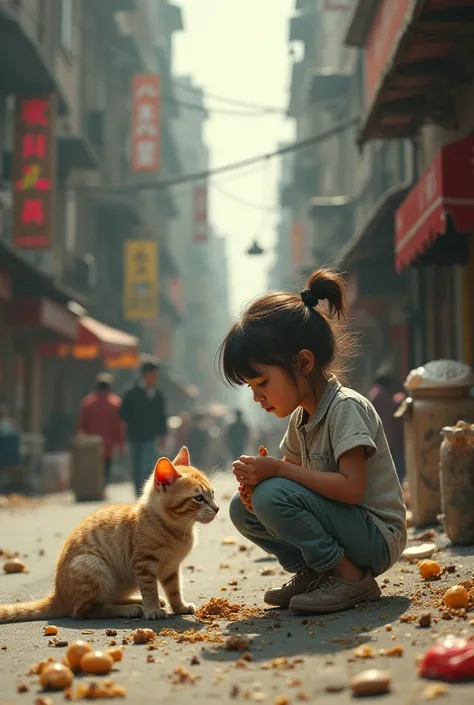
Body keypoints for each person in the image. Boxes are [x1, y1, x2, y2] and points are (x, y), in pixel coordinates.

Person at [219, 268, 407, 615]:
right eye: (251, 389)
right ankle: (316, 572)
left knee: (273, 494)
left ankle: (350, 577)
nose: (258, 397)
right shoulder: (300, 418)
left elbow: (351, 489)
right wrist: (256, 486)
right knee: (242, 509)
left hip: (376, 537)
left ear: (303, 362)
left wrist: (275, 472)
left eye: (262, 382)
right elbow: (294, 485)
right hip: (347, 529)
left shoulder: (345, 407)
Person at [120, 356, 167, 497]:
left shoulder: (158, 395)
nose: (154, 377)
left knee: (146, 466)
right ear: (145, 375)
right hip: (134, 435)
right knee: (136, 467)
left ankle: (145, 494)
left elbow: (161, 416)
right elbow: (122, 412)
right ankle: (138, 494)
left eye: (155, 374)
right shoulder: (132, 392)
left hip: (150, 436)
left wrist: (162, 435)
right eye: (151, 374)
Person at [77, 373, 124, 485]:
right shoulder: (115, 403)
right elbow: (119, 425)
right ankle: (103, 485)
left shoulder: (88, 402)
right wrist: (121, 443)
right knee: (106, 466)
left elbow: (82, 424)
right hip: (108, 443)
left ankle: (94, 486)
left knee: (93, 467)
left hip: (91, 444)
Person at [369, 362, 406, 483]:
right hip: (390, 439)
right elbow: (392, 410)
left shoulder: (376, 393)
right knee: (396, 471)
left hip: (388, 439)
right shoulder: (380, 394)